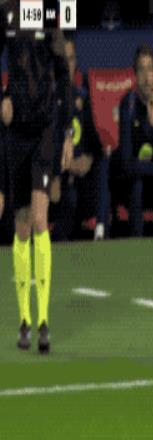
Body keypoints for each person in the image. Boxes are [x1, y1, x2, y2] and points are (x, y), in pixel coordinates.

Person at [1, 25, 73, 353]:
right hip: (16, 133)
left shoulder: (51, 14)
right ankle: (24, 320)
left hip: (44, 129)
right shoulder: (7, 12)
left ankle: (43, 319)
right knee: (22, 226)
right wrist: (3, 98)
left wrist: (68, 132)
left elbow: (64, 74)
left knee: (40, 219)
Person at [117, 44, 153, 237]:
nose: (146, 76)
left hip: (152, 179)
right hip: (130, 180)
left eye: (150, 69)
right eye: (141, 70)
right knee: (137, 185)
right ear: (135, 75)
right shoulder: (128, 105)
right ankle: (136, 244)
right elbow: (126, 163)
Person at [51, 37, 102, 241]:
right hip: (54, 176)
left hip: (81, 175)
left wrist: (89, 159)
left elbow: (95, 144)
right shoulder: (46, 100)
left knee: (102, 165)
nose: (67, 65)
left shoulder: (82, 97)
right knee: (69, 195)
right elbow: (40, 147)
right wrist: (64, 167)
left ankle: (102, 233)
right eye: (63, 60)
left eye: (71, 59)